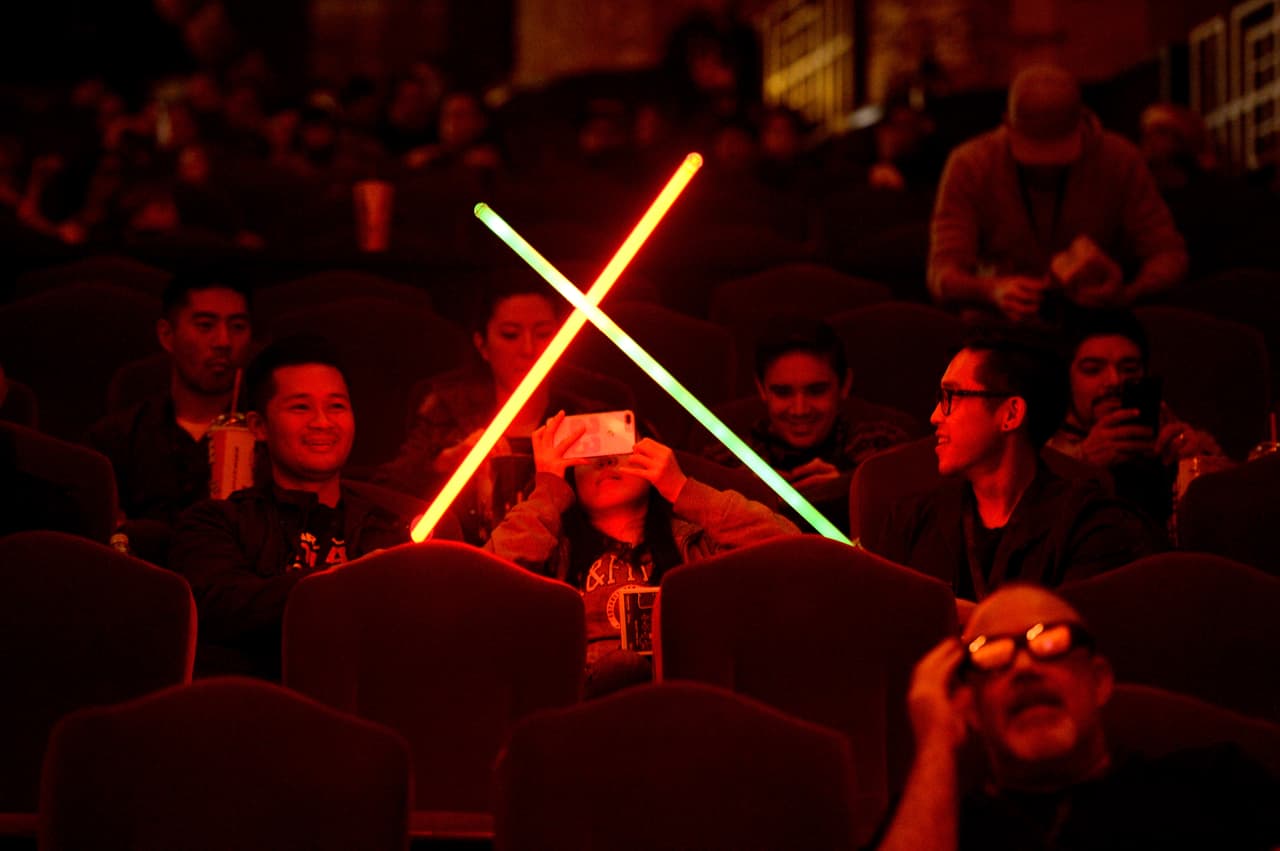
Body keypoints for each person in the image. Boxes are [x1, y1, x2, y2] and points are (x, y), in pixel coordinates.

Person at [876, 584, 1278, 850]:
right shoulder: (934, 821)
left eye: (1052, 643)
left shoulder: (1214, 786)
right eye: (993, 655)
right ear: (970, 708)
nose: (1024, 668)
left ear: (1099, 681)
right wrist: (935, 742)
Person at [488, 411, 800, 698]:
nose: (606, 459)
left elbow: (793, 550)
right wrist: (547, 491)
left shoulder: (694, 541)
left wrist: (683, 489)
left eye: (618, 443)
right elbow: (483, 583)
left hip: (681, 693)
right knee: (620, 669)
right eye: (589, 450)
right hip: (580, 701)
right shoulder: (553, 549)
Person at [170, 336, 410, 680]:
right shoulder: (216, 524)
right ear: (259, 426)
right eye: (301, 408)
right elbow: (224, 609)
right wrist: (347, 580)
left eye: (336, 406)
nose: (322, 422)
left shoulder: (386, 527)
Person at [867, 328, 1159, 602]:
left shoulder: (1090, 526)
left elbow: (1065, 630)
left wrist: (941, 609)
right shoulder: (911, 521)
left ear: (1011, 414)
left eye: (951, 397)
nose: (935, 416)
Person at [928, 64, 1187, 323]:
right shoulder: (970, 165)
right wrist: (991, 291)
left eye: (1058, 156)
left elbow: (1168, 254)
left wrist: (1126, 295)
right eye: (1033, 156)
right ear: (1007, 123)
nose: (1046, 168)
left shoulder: (1120, 160)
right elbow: (941, 273)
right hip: (999, 325)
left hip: (1095, 323)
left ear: (1083, 120)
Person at [375, 277, 604, 543]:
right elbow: (385, 490)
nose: (529, 349)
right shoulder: (446, 410)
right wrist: (445, 462)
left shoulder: (584, 417)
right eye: (510, 335)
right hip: (466, 559)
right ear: (482, 344)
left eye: (543, 334)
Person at [85, 269, 253, 559]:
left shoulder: (270, 436)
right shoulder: (116, 439)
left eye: (237, 326)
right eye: (205, 326)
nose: (224, 341)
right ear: (167, 335)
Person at [702, 318, 912, 534]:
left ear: (845, 384)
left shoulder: (883, 446)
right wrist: (744, 494)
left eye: (816, 390)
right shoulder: (725, 461)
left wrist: (847, 488)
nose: (800, 410)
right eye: (783, 392)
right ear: (761, 388)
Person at [1047, 309, 1223, 529]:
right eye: (1093, 370)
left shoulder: (1169, 433)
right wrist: (1082, 463)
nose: (1114, 380)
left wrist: (1197, 467)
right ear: (1066, 378)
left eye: (1129, 369)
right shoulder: (1043, 448)